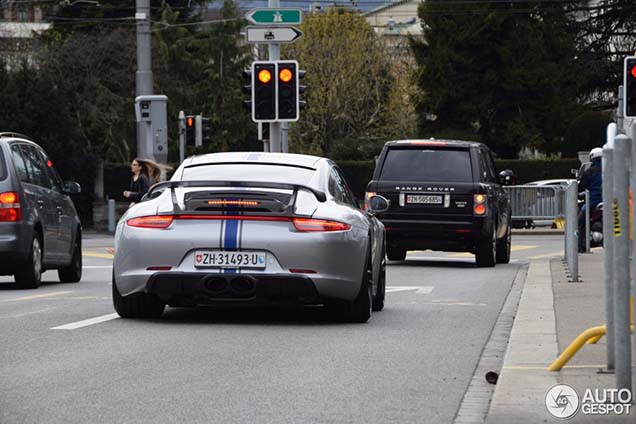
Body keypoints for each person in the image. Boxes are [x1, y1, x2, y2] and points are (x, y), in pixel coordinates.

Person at [578, 147, 603, 252]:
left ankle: (581, 246)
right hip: (610, 201)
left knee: (580, 223)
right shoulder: (611, 169)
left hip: (593, 201)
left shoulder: (589, 172)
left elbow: (581, 187)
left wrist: (578, 194)